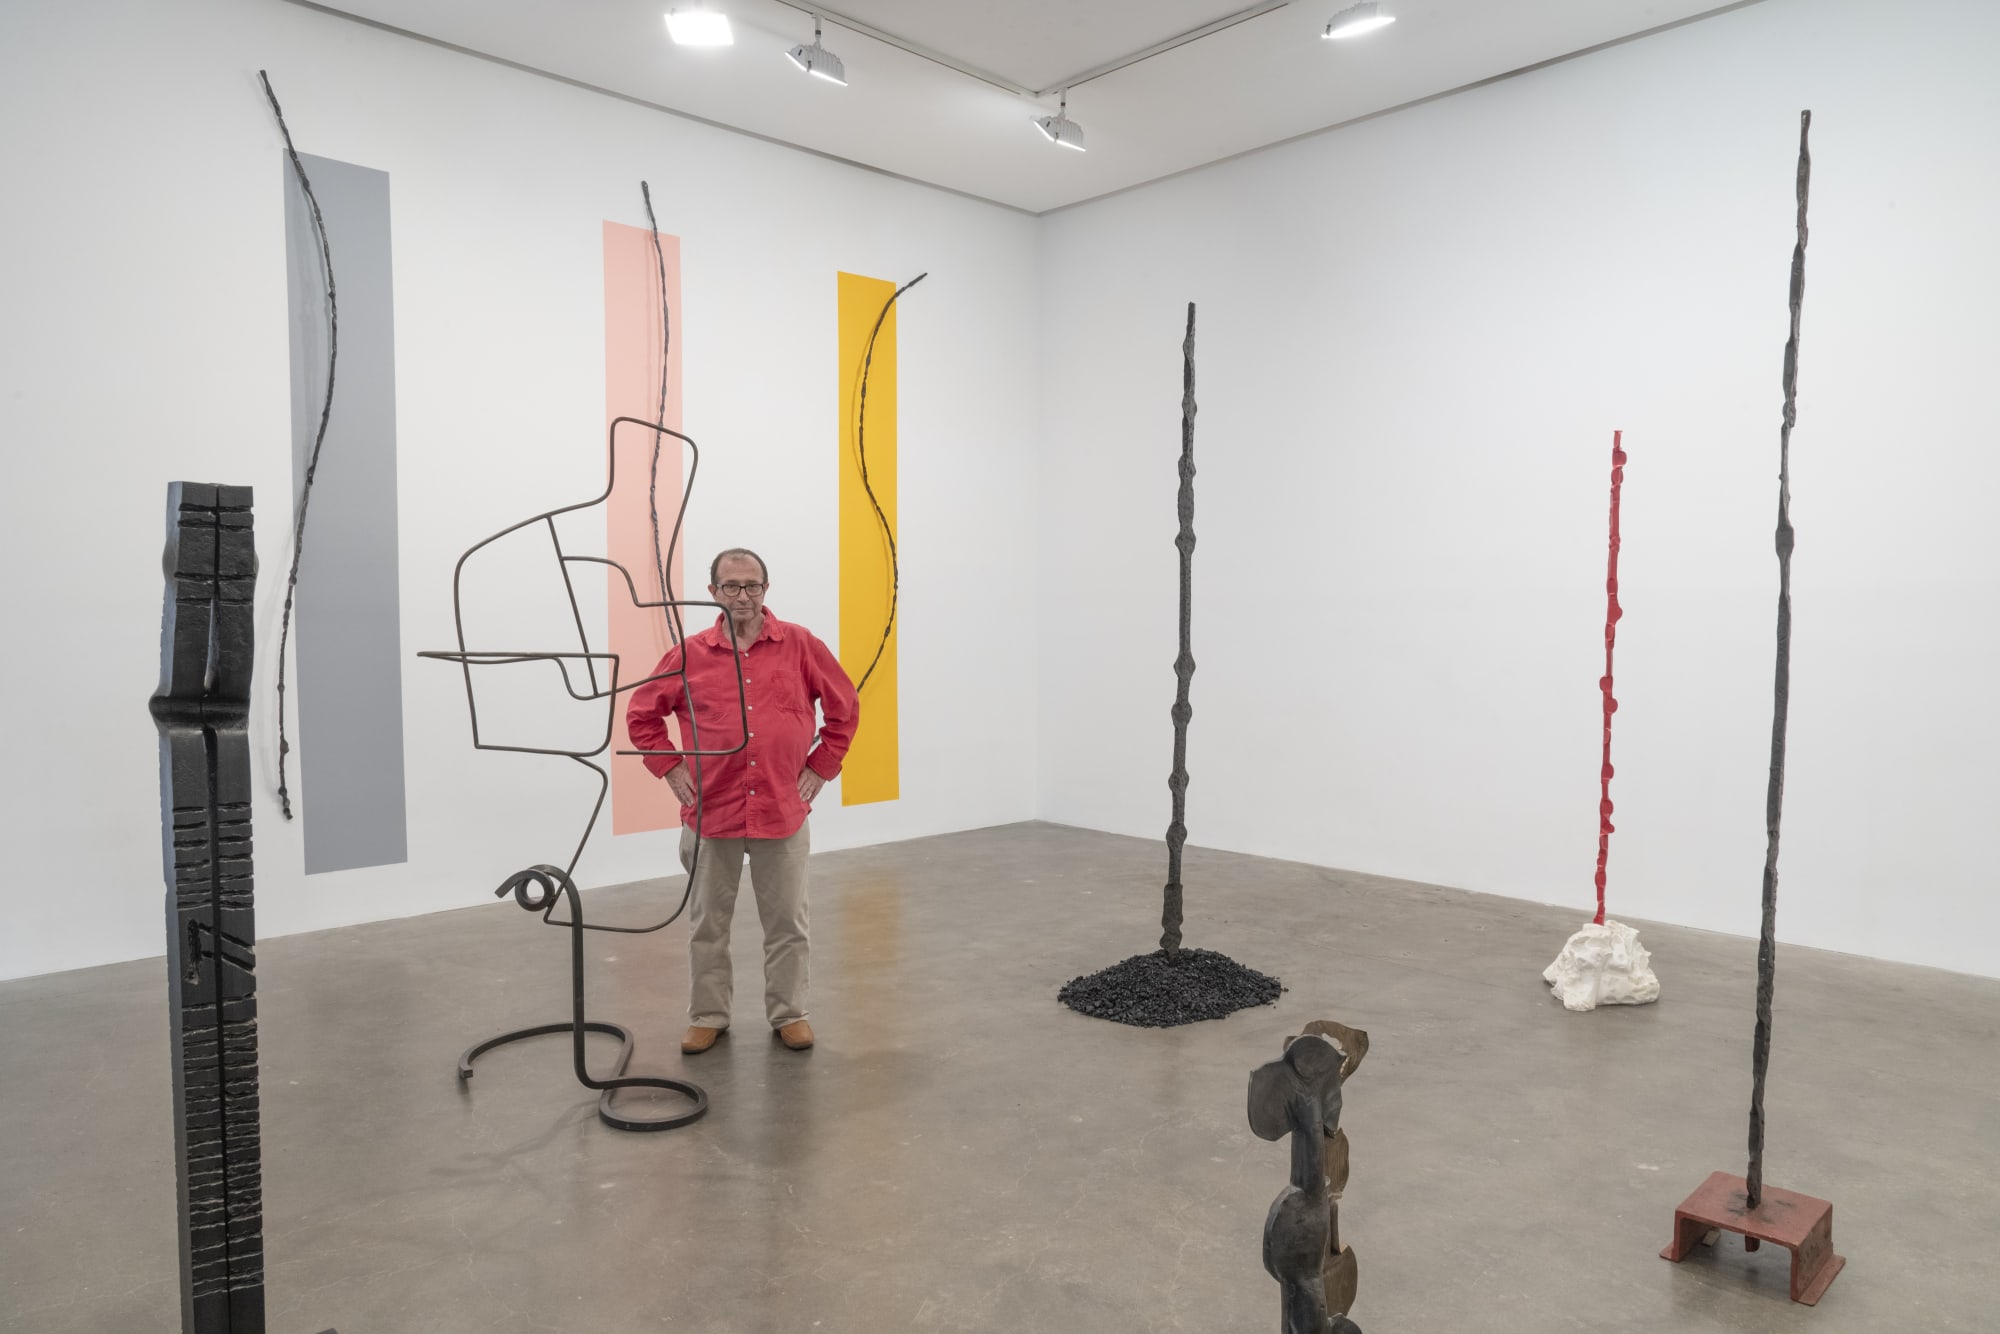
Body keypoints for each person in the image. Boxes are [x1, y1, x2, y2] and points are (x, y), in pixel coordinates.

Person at [626, 548, 859, 1054]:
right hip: (712, 812)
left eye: (752, 585)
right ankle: (708, 1015)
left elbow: (845, 709)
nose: (743, 596)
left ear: (766, 589)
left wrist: (821, 766)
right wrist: (670, 768)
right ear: (713, 592)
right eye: (731, 586)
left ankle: (790, 1013)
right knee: (707, 925)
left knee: (788, 925)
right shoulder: (687, 654)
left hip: (782, 811)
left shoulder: (801, 644)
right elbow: (642, 716)